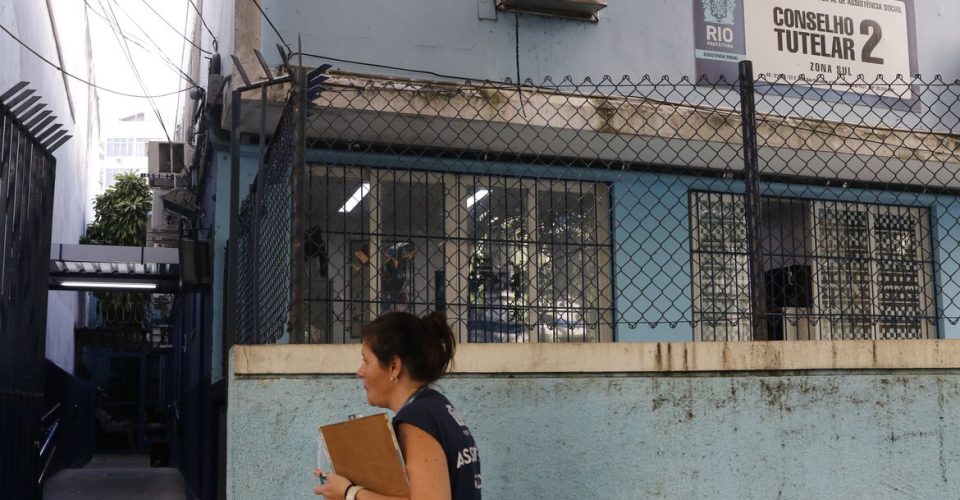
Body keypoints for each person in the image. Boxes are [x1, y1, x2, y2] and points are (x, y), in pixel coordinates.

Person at [314, 311, 481, 500]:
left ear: (394, 366)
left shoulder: (417, 420)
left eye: (366, 361)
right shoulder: (436, 406)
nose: (360, 372)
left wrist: (350, 493)